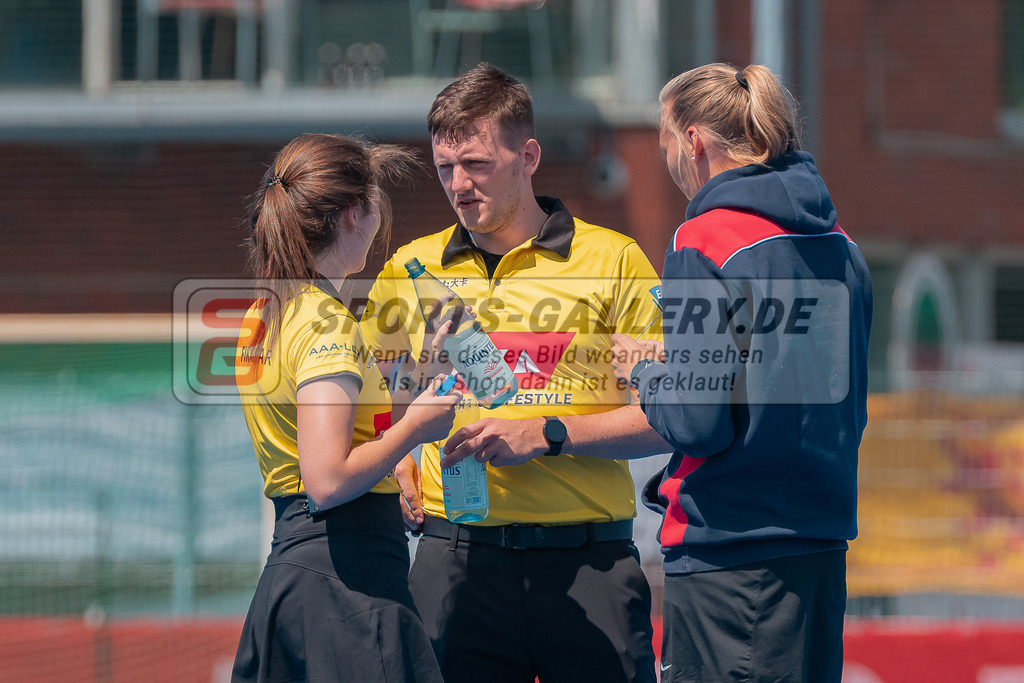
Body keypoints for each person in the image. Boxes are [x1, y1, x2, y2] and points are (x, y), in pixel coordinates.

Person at [362, 64, 669, 683]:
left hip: (592, 565)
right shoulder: (411, 266)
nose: (458, 184)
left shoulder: (615, 259)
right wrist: (392, 452)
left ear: (528, 156)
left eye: (475, 163)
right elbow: (367, 393)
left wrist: (548, 434)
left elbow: (666, 421)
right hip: (455, 560)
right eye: (445, 166)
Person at [611, 63, 872, 682]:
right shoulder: (842, 244)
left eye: (665, 143)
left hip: (729, 556)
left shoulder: (703, 238)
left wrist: (648, 374)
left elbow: (699, 423)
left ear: (694, 142)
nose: (666, 160)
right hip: (817, 545)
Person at [231, 133, 459, 682]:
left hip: (300, 566)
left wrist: (423, 371)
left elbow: (335, 434)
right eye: (377, 204)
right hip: (344, 573)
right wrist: (415, 431)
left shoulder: (267, 313)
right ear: (353, 214)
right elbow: (328, 479)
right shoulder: (324, 321)